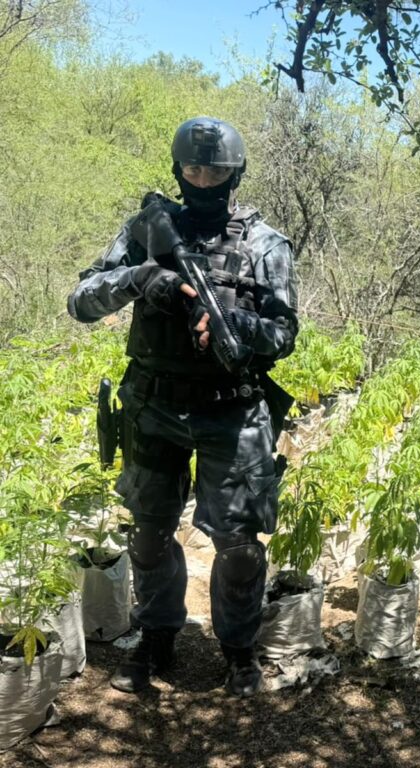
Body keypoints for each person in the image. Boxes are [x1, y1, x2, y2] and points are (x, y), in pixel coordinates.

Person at [67, 116, 299, 697]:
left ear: (234, 174)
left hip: (233, 410)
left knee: (240, 547)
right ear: (178, 170)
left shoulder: (265, 243)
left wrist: (235, 327)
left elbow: (284, 332)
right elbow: (81, 301)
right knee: (148, 534)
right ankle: (158, 636)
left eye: (216, 169)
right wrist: (143, 278)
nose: (204, 178)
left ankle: (238, 649)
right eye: (194, 168)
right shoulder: (146, 228)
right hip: (153, 406)